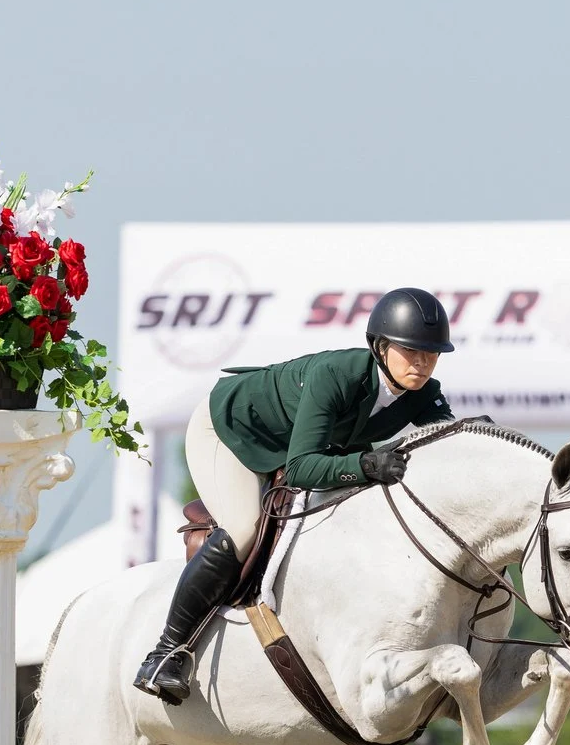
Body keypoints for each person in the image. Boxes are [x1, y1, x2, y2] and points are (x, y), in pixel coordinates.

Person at [131, 288, 458, 704]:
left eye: (431, 353)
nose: (422, 362)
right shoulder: (336, 376)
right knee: (246, 527)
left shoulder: (424, 394)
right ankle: (167, 653)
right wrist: (368, 465)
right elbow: (303, 467)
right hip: (231, 431)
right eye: (410, 350)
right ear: (380, 347)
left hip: (290, 444)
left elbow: (447, 441)